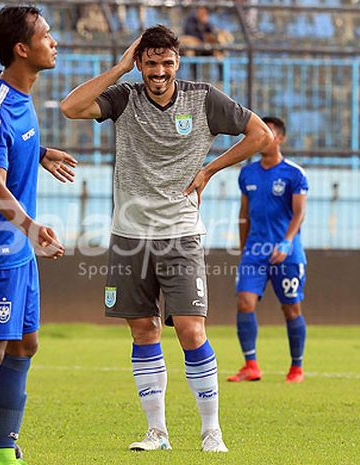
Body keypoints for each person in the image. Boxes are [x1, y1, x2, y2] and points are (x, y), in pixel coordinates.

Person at [60, 25, 272, 453]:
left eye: (167, 62)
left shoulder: (203, 98)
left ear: (178, 62)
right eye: (150, 62)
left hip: (181, 234)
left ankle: (211, 430)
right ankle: (157, 431)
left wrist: (210, 169)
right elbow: (70, 107)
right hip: (130, 235)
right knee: (143, 330)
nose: (159, 71)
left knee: (192, 330)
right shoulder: (125, 97)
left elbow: (261, 135)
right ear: (140, 63)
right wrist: (119, 68)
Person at [0, 5, 76, 465]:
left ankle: (3, 454)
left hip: (15, 250)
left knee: (25, 343)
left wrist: (37, 152)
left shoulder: (15, 93)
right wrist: (33, 227)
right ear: (22, 49)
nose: (53, 41)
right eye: (46, 35)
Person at [227, 117, 308, 384]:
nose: (262, 139)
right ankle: (251, 365)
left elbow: (299, 213)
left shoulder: (294, 173)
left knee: (291, 308)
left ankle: (296, 368)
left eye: (268, 134)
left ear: (281, 138)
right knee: (244, 302)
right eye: (259, 134)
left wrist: (286, 242)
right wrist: (243, 247)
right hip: (255, 251)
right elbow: (244, 213)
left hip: (287, 252)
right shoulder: (247, 173)